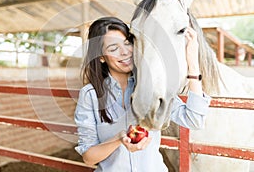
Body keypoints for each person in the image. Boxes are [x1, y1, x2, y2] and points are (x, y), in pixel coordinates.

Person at [74, 16, 210, 171]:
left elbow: (194, 120)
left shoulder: (152, 86)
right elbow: (88, 158)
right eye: (113, 49)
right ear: (101, 57)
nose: (125, 52)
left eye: (127, 43)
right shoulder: (90, 95)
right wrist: (119, 139)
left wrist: (192, 63)